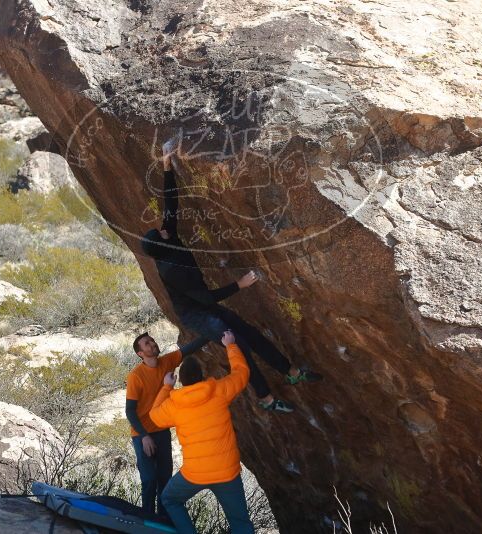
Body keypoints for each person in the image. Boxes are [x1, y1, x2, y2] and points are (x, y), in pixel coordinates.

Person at [140, 137, 321, 413]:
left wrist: (166, 165)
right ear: (161, 244)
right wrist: (241, 284)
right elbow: (204, 297)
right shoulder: (171, 269)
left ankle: (291, 372)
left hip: (203, 303)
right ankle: (266, 399)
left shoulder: (169, 239)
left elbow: (170, 203)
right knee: (238, 346)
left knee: (250, 333)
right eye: (161, 233)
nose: (164, 229)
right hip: (196, 312)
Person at [150, 330, 254, 534]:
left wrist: (166, 388)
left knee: (169, 499)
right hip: (227, 472)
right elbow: (242, 374)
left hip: (195, 473)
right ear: (203, 375)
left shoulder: (174, 405)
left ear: (182, 381)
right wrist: (231, 345)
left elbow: (154, 416)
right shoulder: (218, 391)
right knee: (240, 523)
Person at [126, 332, 208, 517]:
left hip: (162, 430)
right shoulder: (135, 376)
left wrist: (212, 330)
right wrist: (144, 436)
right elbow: (130, 411)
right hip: (142, 434)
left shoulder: (167, 361)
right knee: (149, 480)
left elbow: (190, 347)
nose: (152, 344)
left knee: (165, 479)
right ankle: (146, 520)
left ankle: (163, 520)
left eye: (152, 340)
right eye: (147, 344)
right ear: (140, 353)